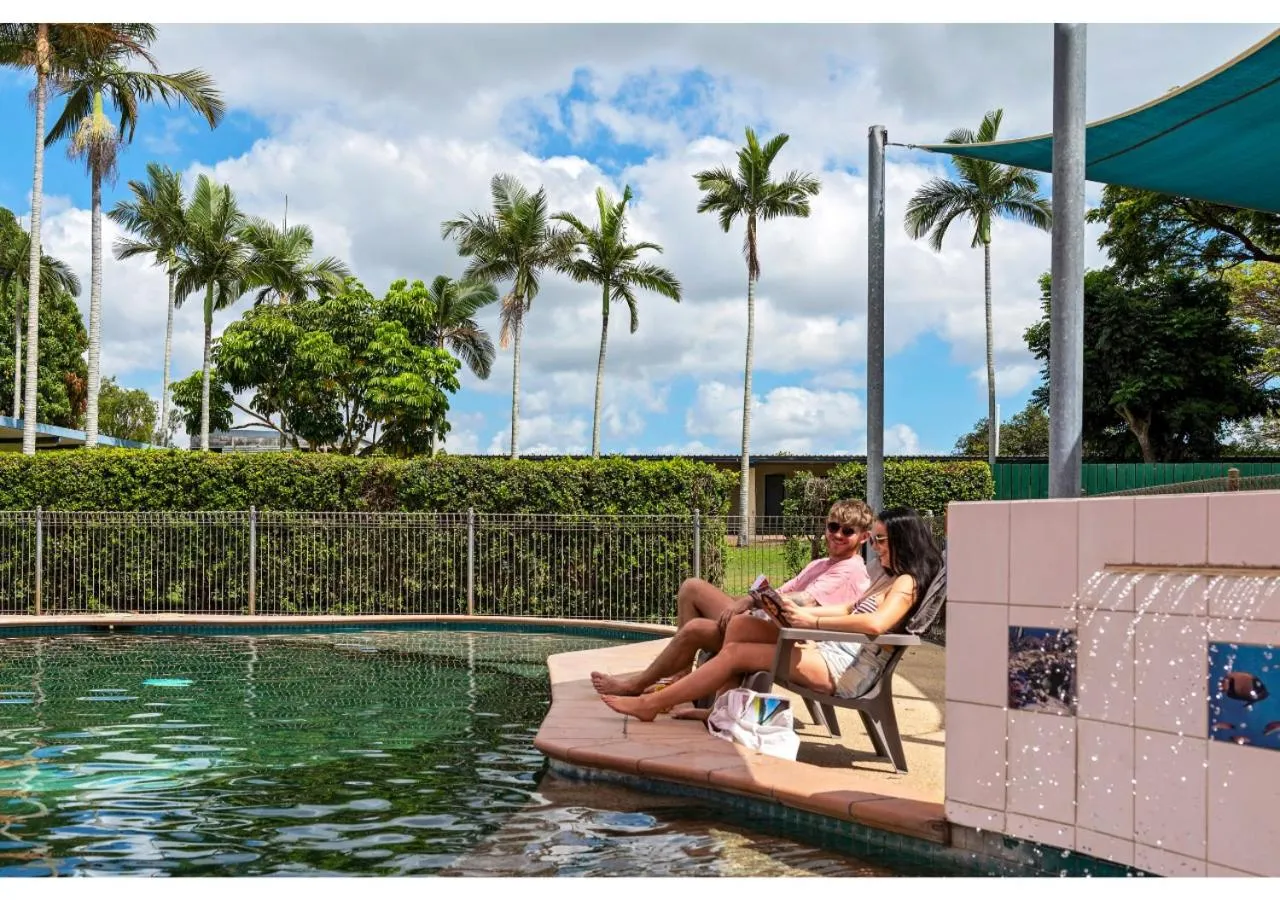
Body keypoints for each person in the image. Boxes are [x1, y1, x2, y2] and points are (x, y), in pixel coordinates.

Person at [599, 506, 943, 722]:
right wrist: (794, 611)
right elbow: (852, 608)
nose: (877, 547)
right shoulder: (887, 576)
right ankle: (717, 711)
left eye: (881, 540)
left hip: (844, 667)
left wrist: (813, 620)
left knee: (736, 650)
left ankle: (654, 705)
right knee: (741, 633)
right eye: (877, 540)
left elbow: (875, 623)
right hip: (831, 650)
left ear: (903, 541)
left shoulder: (906, 583)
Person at [590, 499, 875, 698]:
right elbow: (782, 591)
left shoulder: (849, 571)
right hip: (766, 623)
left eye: (847, 531)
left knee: (696, 629)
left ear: (863, 538)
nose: (837, 535)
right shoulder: (821, 564)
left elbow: (798, 603)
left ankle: (637, 686)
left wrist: (750, 602)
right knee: (692, 587)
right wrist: (751, 600)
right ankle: (678, 677)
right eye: (832, 527)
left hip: (789, 639)